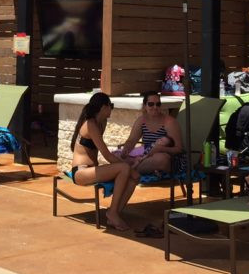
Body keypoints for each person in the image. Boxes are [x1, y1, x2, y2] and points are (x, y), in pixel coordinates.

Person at [69, 92, 139, 231]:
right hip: (81, 172)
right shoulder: (90, 124)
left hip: (92, 169)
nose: (111, 109)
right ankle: (112, 213)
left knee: (133, 178)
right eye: (110, 106)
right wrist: (128, 166)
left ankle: (114, 213)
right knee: (125, 169)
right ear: (103, 107)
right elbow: (106, 155)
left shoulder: (101, 123)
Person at [117, 91, 184, 176]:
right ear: (145, 106)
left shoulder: (169, 122)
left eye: (158, 104)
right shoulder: (141, 121)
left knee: (161, 159)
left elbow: (179, 149)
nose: (155, 107)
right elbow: (131, 140)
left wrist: (161, 149)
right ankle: (134, 167)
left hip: (167, 159)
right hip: (146, 157)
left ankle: (127, 170)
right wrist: (125, 150)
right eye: (151, 104)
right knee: (116, 155)